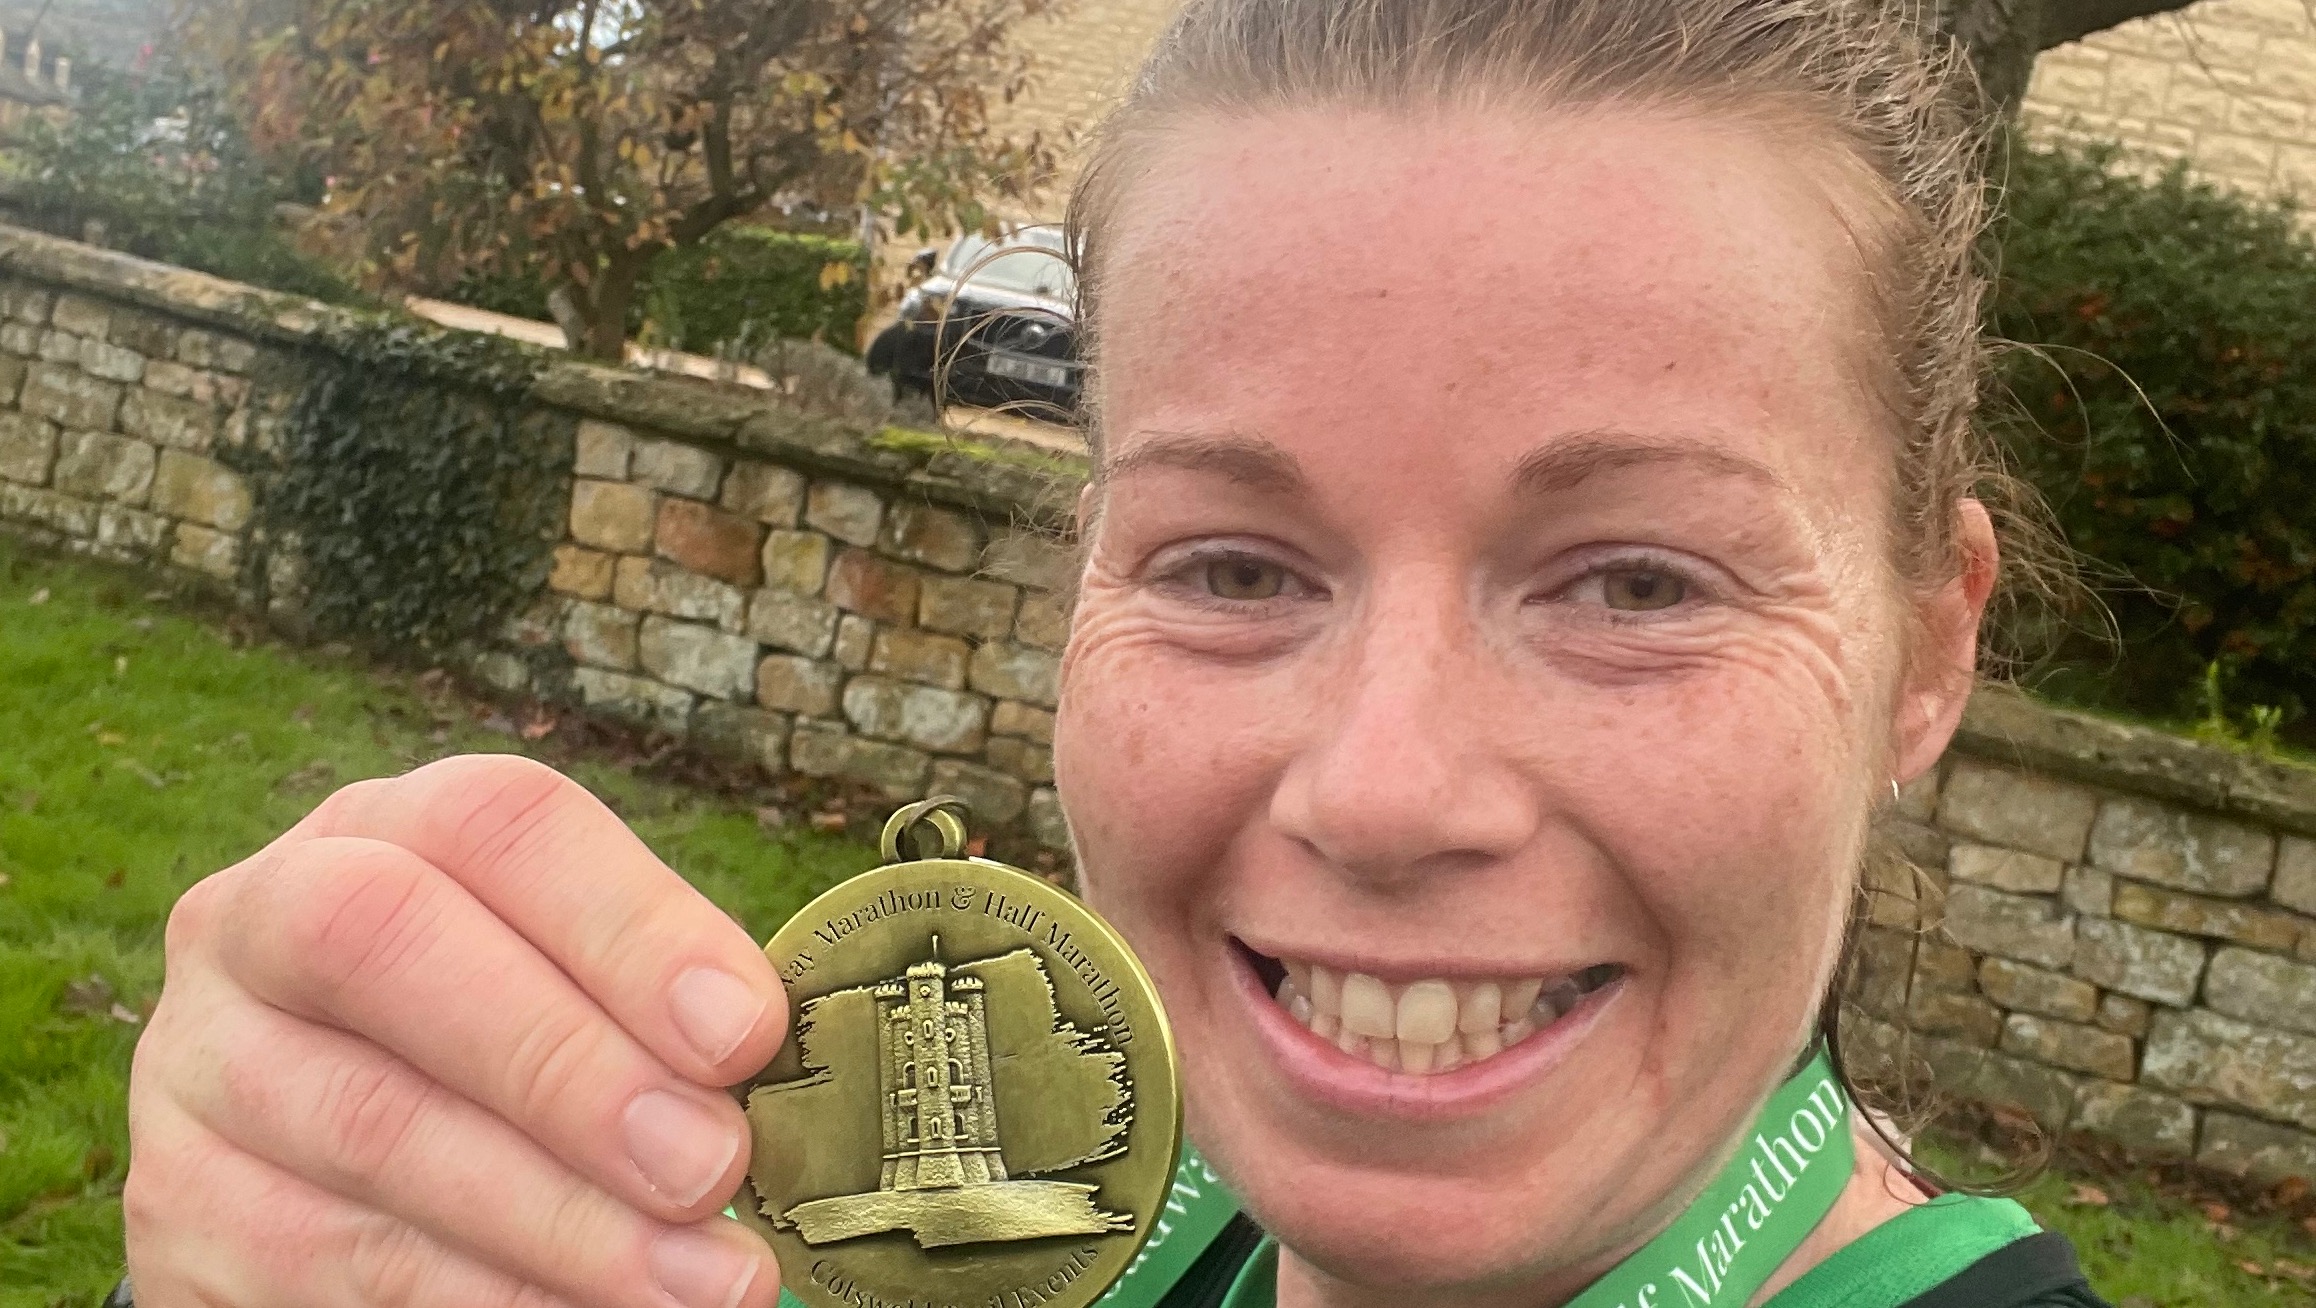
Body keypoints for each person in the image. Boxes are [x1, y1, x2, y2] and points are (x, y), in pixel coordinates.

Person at [118, 1, 2114, 1306]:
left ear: (1927, 655)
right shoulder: (1042, 1235)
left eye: (1640, 585)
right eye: (1235, 564)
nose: (1383, 790)